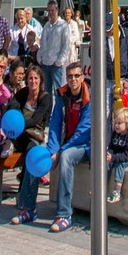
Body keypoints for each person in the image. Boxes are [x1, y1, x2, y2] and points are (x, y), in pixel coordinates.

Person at [46, 62, 92, 233]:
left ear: (82, 77)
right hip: (66, 142)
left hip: (85, 146)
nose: (73, 79)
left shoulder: (89, 96)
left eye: (76, 76)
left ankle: (64, 214)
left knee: (66, 158)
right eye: (70, 76)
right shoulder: (62, 94)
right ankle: (27, 207)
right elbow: (55, 123)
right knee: (38, 153)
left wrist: (62, 150)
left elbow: (84, 131)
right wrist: (52, 149)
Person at [8, 64, 54, 224]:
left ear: (40, 81)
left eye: (36, 78)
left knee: (31, 155)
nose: (32, 81)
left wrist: (19, 122)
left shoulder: (45, 98)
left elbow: (36, 120)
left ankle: (27, 207)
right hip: (19, 135)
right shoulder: (23, 93)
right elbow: (12, 104)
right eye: (30, 78)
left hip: (34, 136)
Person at [106, 106, 128, 202]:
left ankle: (117, 191)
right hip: (119, 155)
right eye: (115, 123)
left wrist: (113, 158)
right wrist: (109, 154)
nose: (116, 125)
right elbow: (111, 147)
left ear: (127, 124)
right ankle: (102, 187)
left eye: (119, 123)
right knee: (107, 163)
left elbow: (127, 155)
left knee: (121, 163)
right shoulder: (115, 134)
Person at [38, 0, 71, 96]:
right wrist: (40, 58)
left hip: (55, 65)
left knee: (58, 91)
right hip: (45, 63)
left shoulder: (63, 25)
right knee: (46, 92)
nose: (50, 13)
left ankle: (58, 110)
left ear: (57, 10)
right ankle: (48, 110)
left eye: (52, 10)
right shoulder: (46, 26)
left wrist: (59, 61)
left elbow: (66, 45)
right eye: (49, 11)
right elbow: (42, 44)